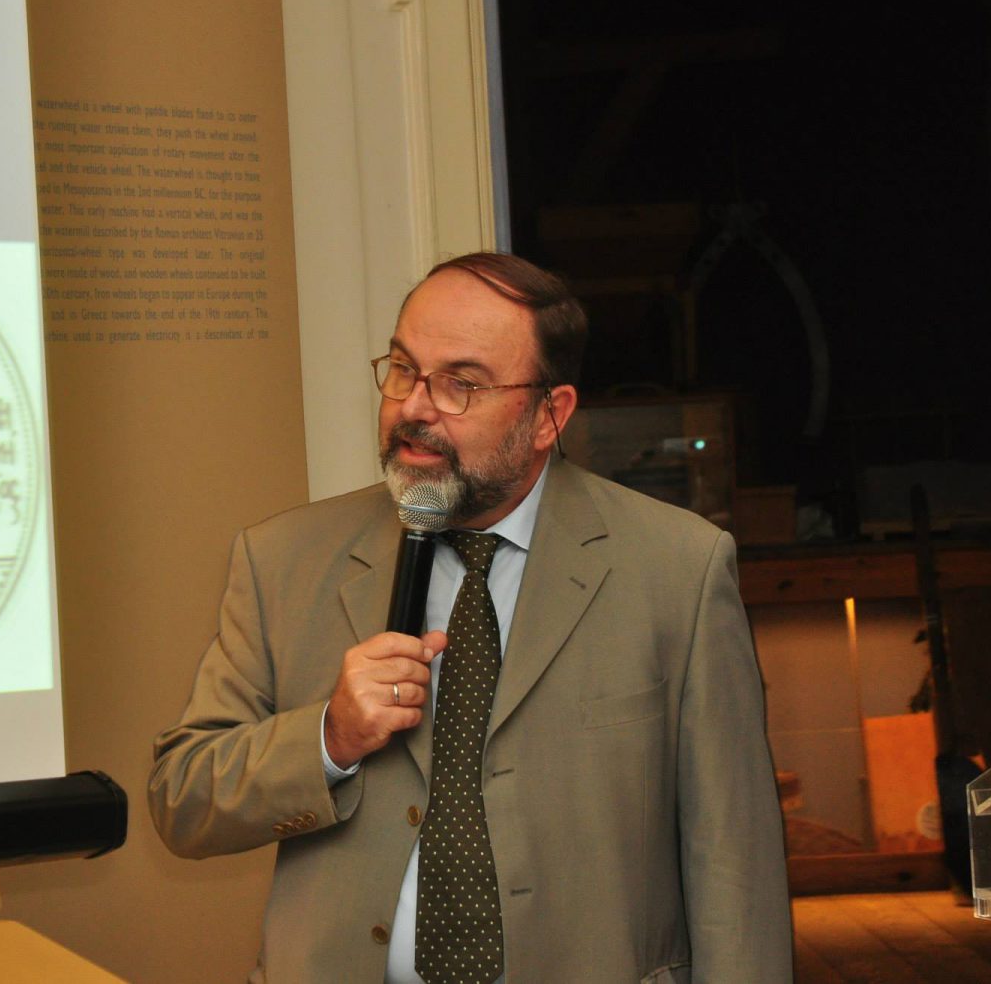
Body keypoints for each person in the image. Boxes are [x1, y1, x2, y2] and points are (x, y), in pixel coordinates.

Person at [149, 252, 791, 982]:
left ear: (550, 415)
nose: (414, 408)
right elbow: (183, 798)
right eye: (403, 369)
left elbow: (734, 863)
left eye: (462, 384)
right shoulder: (283, 560)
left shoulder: (678, 568)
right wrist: (328, 738)